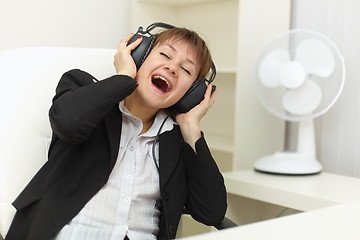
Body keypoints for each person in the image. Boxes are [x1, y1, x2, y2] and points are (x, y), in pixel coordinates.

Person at [5, 25, 227, 240]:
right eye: (165, 55)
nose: (172, 68)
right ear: (140, 54)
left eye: (186, 70)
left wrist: (190, 129)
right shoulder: (81, 88)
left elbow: (211, 212)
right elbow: (67, 123)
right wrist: (124, 76)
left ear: (191, 92)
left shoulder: (177, 139)